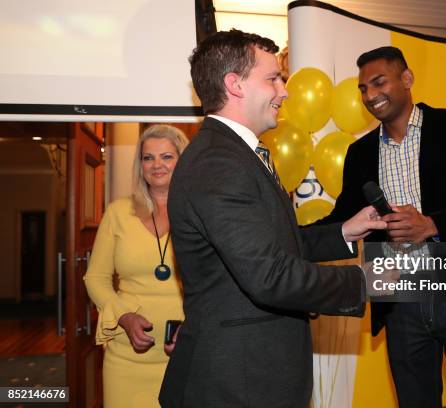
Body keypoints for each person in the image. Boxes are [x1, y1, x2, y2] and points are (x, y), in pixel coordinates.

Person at [158, 30, 386, 408]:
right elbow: (270, 275)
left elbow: (270, 246)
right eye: (272, 78)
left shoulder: (235, 154)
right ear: (235, 85)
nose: (285, 91)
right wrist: (366, 281)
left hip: (252, 375)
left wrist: (344, 231)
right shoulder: (219, 162)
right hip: (240, 382)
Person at [317, 46, 446, 407]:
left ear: (406, 79)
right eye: (363, 89)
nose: (370, 95)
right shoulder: (360, 154)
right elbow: (341, 220)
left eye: (379, 82)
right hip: (398, 301)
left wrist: (432, 224)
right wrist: (284, 229)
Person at [84, 124, 190, 408]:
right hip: (126, 361)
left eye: (167, 156)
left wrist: (193, 328)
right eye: (148, 157)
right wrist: (123, 316)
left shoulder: (201, 213)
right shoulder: (118, 213)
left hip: (188, 357)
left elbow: (219, 284)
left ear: (183, 161)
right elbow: (95, 278)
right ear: (140, 165)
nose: (157, 165)